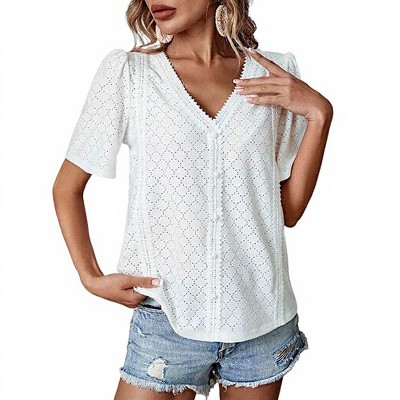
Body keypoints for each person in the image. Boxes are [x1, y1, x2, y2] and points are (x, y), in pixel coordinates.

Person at [53, 1, 333, 399]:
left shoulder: (273, 74)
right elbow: (67, 187)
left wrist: (320, 115)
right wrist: (90, 276)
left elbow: (286, 210)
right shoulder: (131, 74)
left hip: (261, 319)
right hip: (166, 318)